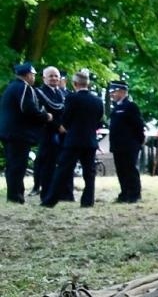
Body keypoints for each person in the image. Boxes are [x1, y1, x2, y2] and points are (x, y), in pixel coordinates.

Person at [43, 70, 102, 208]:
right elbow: (99, 121)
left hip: (74, 140)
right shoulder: (97, 101)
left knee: (63, 170)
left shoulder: (71, 98)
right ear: (88, 83)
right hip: (90, 141)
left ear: (75, 84)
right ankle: (88, 201)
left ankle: (50, 200)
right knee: (89, 173)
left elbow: (66, 118)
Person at [1, 63, 52, 204]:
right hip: (19, 133)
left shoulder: (11, 87)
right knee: (18, 165)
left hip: (8, 132)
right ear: (28, 75)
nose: (34, 77)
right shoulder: (24, 88)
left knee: (12, 165)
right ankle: (16, 196)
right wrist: (45, 116)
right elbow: (28, 108)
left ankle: (13, 195)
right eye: (33, 75)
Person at [106, 79, 146, 203]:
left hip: (129, 145)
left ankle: (134, 194)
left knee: (130, 169)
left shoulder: (130, 106)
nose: (111, 94)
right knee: (121, 170)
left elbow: (138, 125)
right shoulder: (116, 108)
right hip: (118, 146)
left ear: (123, 92)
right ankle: (124, 193)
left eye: (114, 91)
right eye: (111, 92)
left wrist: (139, 142)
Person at [32, 67, 68, 196]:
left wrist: (65, 126)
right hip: (47, 132)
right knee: (47, 162)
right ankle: (43, 190)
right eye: (51, 76)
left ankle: (60, 189)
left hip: (63, 133)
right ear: (44, 78)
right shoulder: (38, 93)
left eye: (56, 76)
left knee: (62, 161)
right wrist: (57, 126)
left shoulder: (63, 93)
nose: (54, 78)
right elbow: (41, 113)